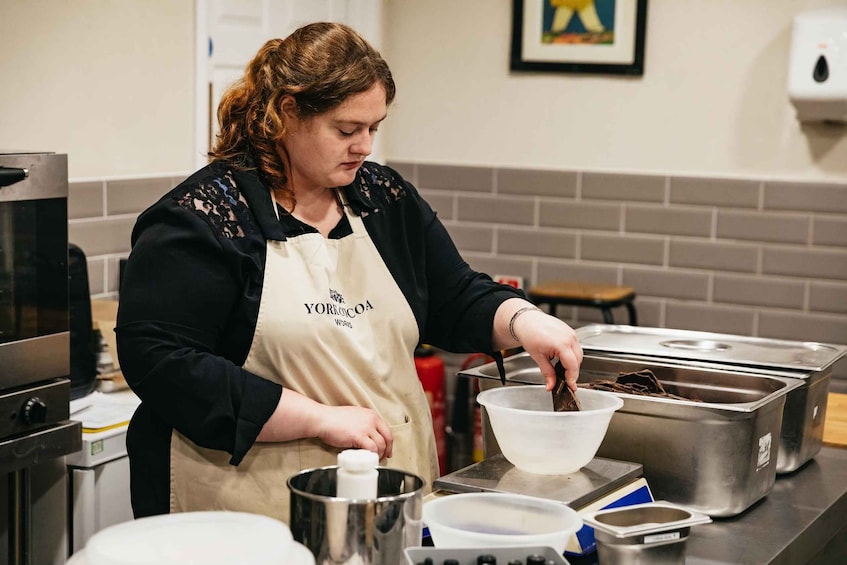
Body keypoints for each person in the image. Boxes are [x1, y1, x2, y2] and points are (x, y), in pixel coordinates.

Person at [115, 21, 583, 524]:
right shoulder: (203, 218)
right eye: (346, 130)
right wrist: (317, 419)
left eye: (374, 128)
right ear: (287, 114)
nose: (364, 146)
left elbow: (452, 294)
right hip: (249, 509)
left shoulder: (383, 198)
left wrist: (524, 321)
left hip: (386, 494)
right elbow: (160, 360)